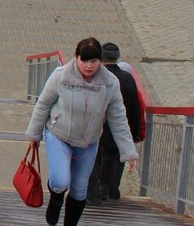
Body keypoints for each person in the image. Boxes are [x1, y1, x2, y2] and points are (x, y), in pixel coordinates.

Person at [25, 37, 139, 226]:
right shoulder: (60, 75)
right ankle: (55, 200)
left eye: (93, 61)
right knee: (60, 182)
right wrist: (34, 135)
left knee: (79, 190)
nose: (88, 66)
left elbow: (118, 118)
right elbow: (43, 105)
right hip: (59, 135)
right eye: (84, 60)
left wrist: (129, 152)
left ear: (100, 61)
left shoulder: (110, 83)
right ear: (76, 57)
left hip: (88, 142)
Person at [88, 43, 143, 205]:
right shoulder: (127, 78)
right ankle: (110, 190)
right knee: (115, 158)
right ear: (117, 57)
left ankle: (96, 190)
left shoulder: (94, 76)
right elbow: (135, 106)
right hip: (117, 127)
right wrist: (136, 131)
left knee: (94, 158)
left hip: (95, 127)